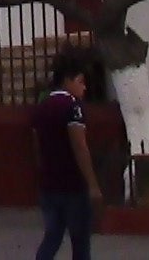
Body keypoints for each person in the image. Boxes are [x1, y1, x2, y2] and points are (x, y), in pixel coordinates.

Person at [31, 54, 102, 260]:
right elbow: (80, 146)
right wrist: (93, 185)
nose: (84, 88)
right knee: (80, 243)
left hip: (49, 185)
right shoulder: (73, 107)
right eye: (81, 82)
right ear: (68, 80)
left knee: (52, 237)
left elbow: (36, 145)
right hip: (73, 186)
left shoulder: (42, 107)